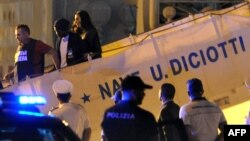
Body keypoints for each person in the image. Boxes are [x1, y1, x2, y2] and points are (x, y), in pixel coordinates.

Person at [101, 76, 159, 141]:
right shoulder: (146, 117)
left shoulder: (108, 113)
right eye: (141, 91)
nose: (144, 94)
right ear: (134, 92)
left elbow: (104, 137)